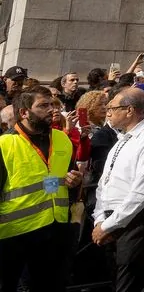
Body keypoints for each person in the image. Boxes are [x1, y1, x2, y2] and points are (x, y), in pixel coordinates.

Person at [0, 85, 85, 292]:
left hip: (55, 232)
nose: (51, 110)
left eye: (53, 104)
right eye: (43, 105)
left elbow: (49, 182)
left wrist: (74, 181)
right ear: (24, 112)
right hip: (14, 236)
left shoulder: (62, 139)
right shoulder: (5, 144)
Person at [92, 88, 144, 292]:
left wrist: (108, 225)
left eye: (112, 108)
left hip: (140, 220)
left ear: (129, 110)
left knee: (131, 282)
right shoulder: (123, 138)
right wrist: (100, 218)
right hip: (114, 220)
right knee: (116, 280)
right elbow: (106, 182)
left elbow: (143, 191)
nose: (108, 112)